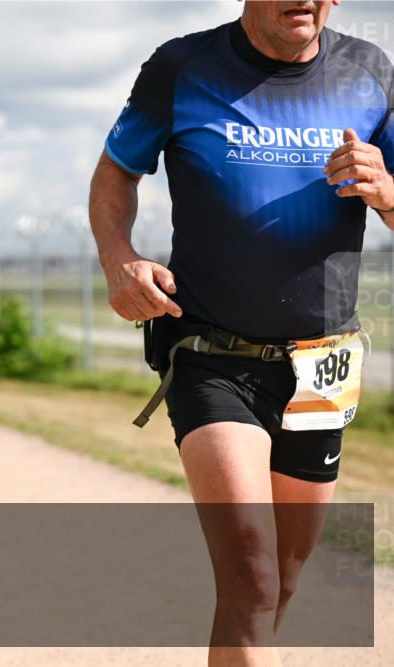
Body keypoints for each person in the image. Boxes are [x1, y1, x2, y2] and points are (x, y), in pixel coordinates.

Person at [89, 2, 392, 665]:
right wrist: (120, 260)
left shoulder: (370, 72)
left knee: (275, 583)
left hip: (322, 364)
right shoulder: (183, 67)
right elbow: (116, 169)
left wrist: (387, 191)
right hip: (212, 355)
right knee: (250, 575)